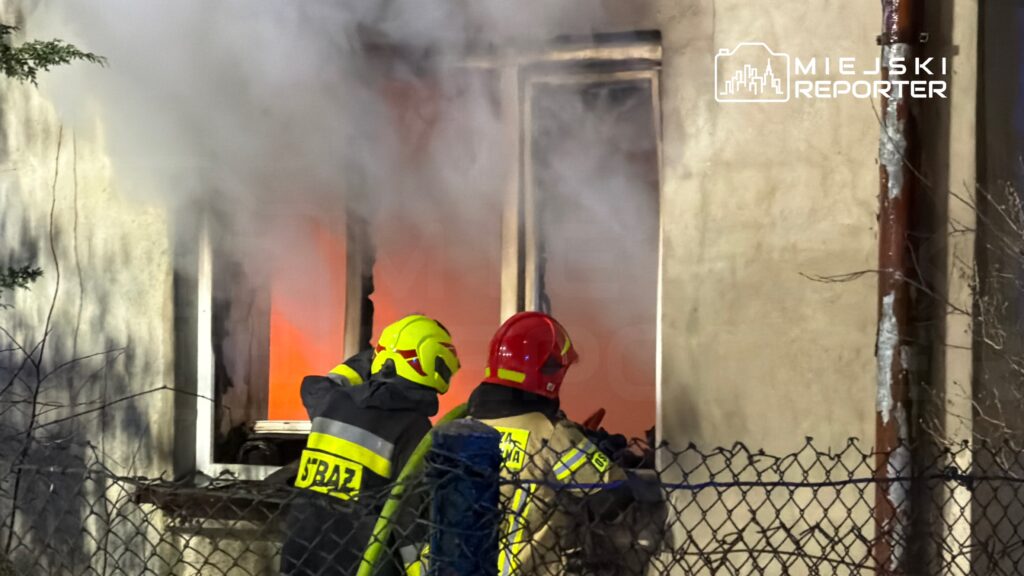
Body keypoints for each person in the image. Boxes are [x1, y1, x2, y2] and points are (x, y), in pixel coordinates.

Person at [467, 311, 649, 576]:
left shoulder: (462, 429)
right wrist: (599, 454)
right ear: (549, 373)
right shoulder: (551, 435)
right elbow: (612, 497)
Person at [280, 314, 460, 576]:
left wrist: (375, 360)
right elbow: (411, 522)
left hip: (301, 560)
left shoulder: (333, 402)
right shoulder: (413, 427)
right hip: (361, 565)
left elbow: (317, 385)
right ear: (432, 361)